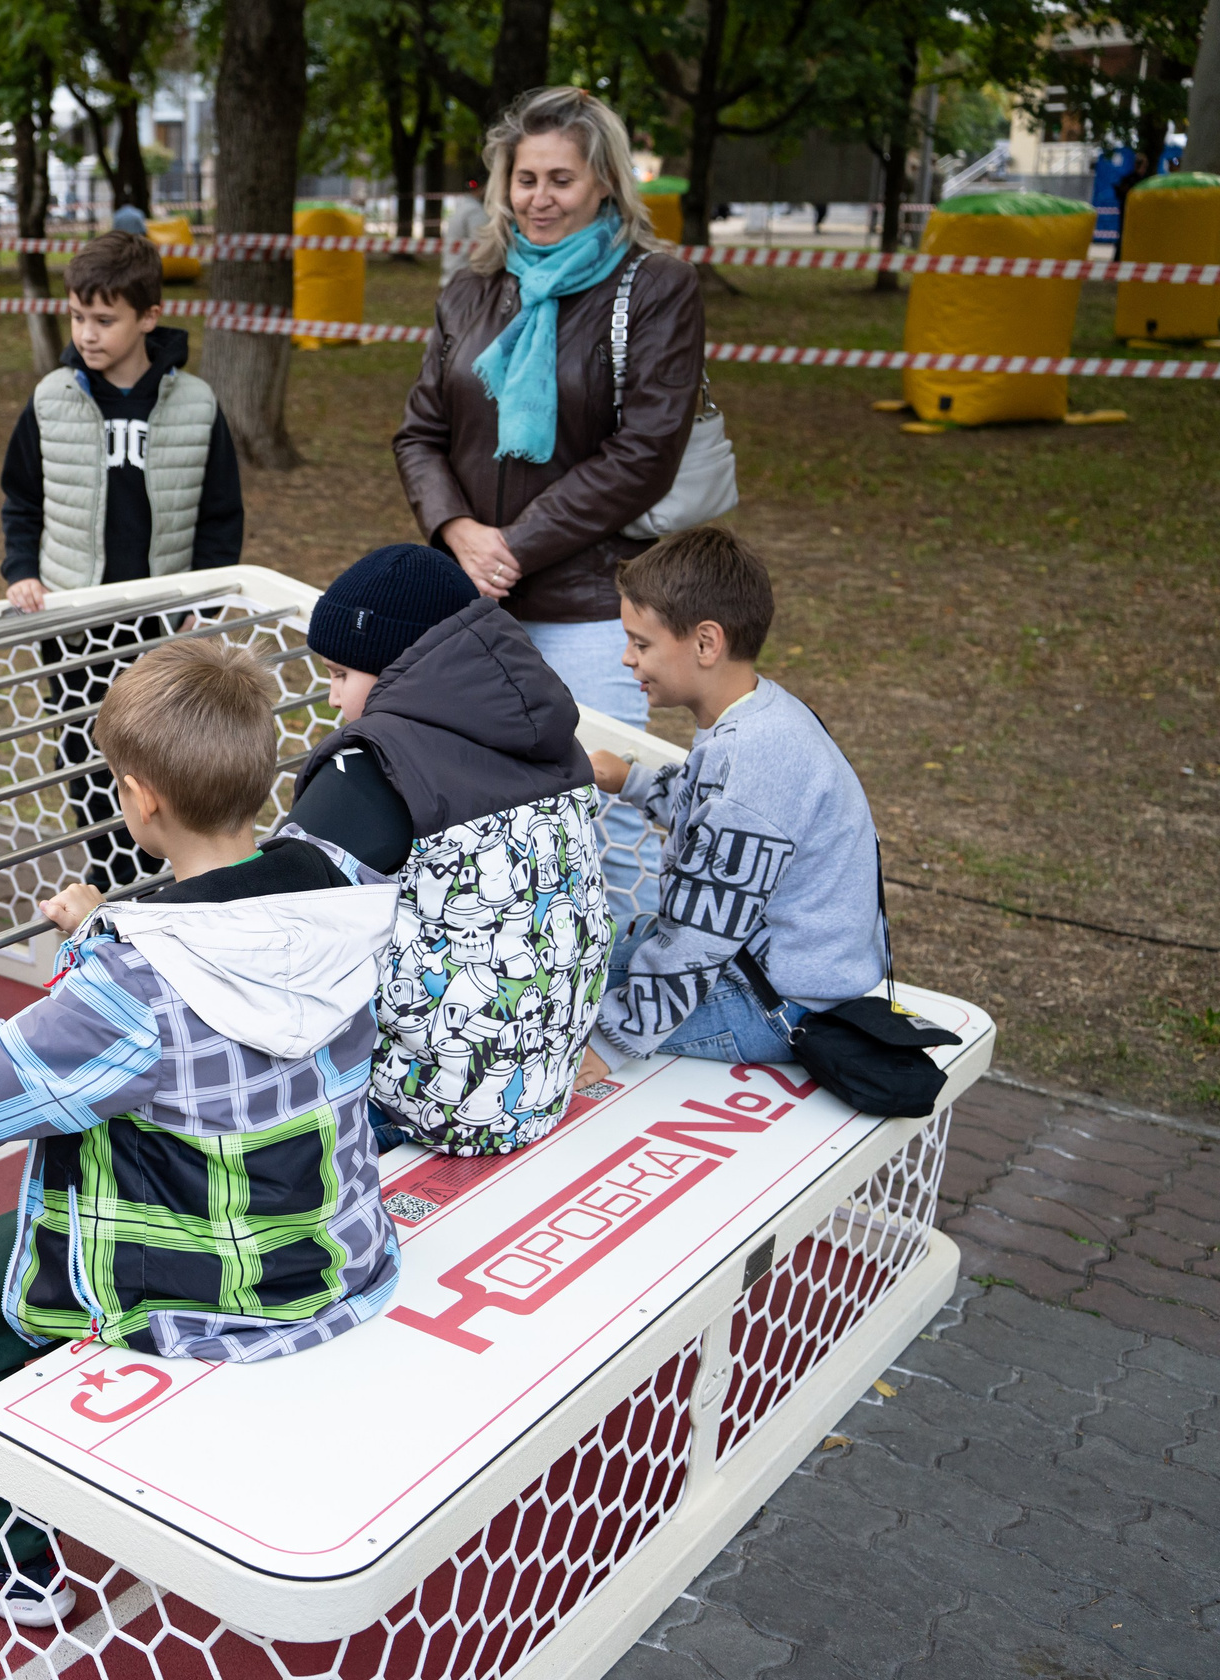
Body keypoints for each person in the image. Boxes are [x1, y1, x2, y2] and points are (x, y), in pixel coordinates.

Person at [0, 638, 403, 1626]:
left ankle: (0, 1543)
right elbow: (211, 947)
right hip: (331, 1252)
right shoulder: (337, 882)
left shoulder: (136, 983)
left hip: (210, 1292)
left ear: (139, 796)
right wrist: (101, 930)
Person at [392, 85, 703, 922]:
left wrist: (515, 547)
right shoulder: (471, 290)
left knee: (600, 820)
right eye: (524, 179)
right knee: (476, 814)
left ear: (605, 182)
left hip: (589, 606)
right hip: (469, 602)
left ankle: (624, 1015)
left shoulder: (656, 286)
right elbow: (419, 435)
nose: (539, 198)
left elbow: (644, 453)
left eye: (560, 179)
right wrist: (458, 532)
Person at [281, 544, 614, 1156]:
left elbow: (271, 917)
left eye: (339, 674)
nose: (331, 699)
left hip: (421, 1102)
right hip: (538, 1083)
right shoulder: (546, 738)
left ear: (394, 665)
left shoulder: (376, 765)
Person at [573, 528, 885, 1088]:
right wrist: (631, 780)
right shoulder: (759, 714)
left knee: (548, 1019)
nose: (627, 659)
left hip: (777, 1005)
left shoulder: (755, 759)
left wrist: (611, 1040)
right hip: (763, 969)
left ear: (706, 643)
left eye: (641, 644)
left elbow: (701, 930)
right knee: (566, 965)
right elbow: (709, 815)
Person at [0, 228, 243, 893]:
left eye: (104, 319)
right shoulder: (52, 399)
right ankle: (105, 885)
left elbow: (221, 518)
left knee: (159, 764)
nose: (87, 332)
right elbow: (21, 497)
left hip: (157, 627)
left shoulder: (195, 404)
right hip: (75, 622)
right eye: (78, 316)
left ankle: (159, 886)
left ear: (149, 317)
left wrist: (202, 609)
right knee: (85, 758)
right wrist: (21, 569)